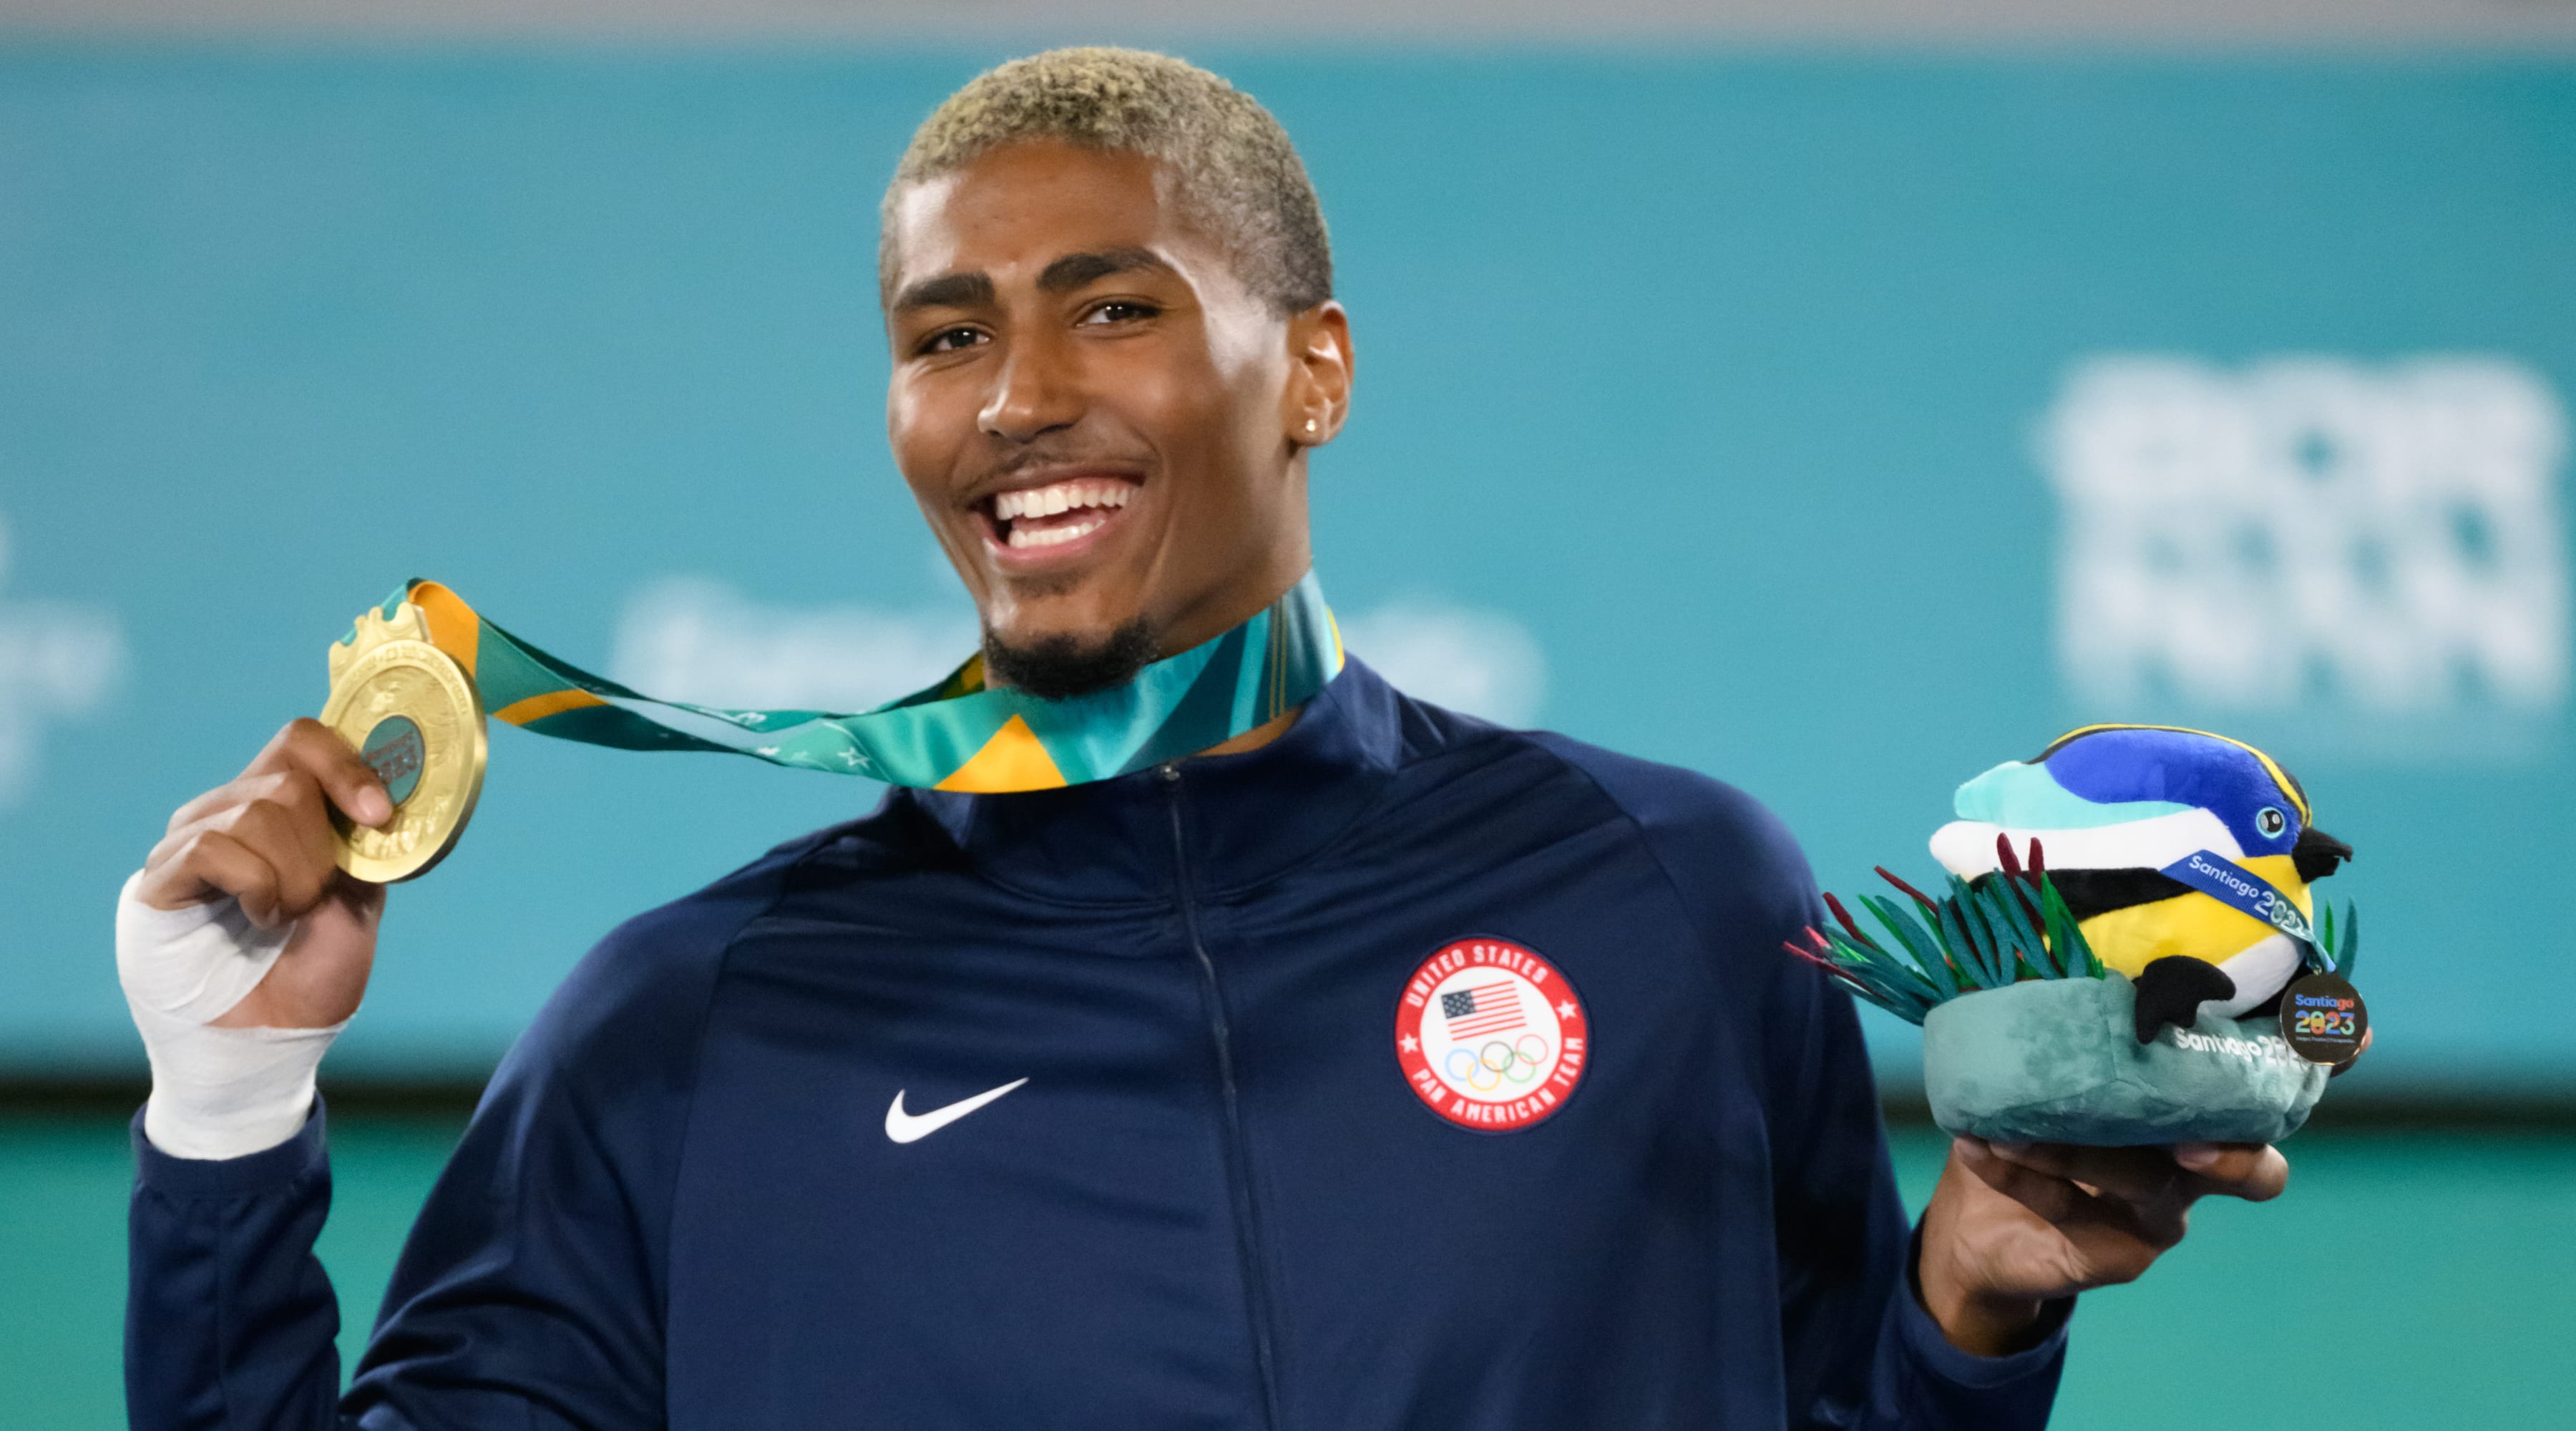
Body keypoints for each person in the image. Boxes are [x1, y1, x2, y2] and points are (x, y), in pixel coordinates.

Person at [119, 47, 2295, 1430]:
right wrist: (227, 1100)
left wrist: (1975, 1310)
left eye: (1115, 305)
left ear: (1313, 372)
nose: (1012, 395)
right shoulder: (692, 1030)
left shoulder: (1674, 903)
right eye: (942, 335)